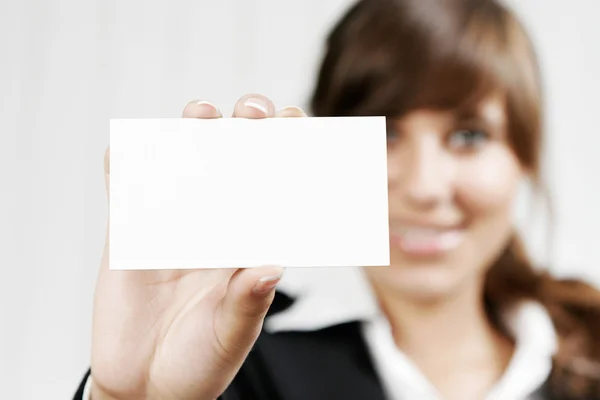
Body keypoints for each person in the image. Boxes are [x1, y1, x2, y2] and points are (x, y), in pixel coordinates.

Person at [74, 0, 600, 399]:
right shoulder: (231, 361)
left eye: (468, 136)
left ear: (524, 156)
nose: (424, 186)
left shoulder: (589, 353)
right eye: (387, 132)